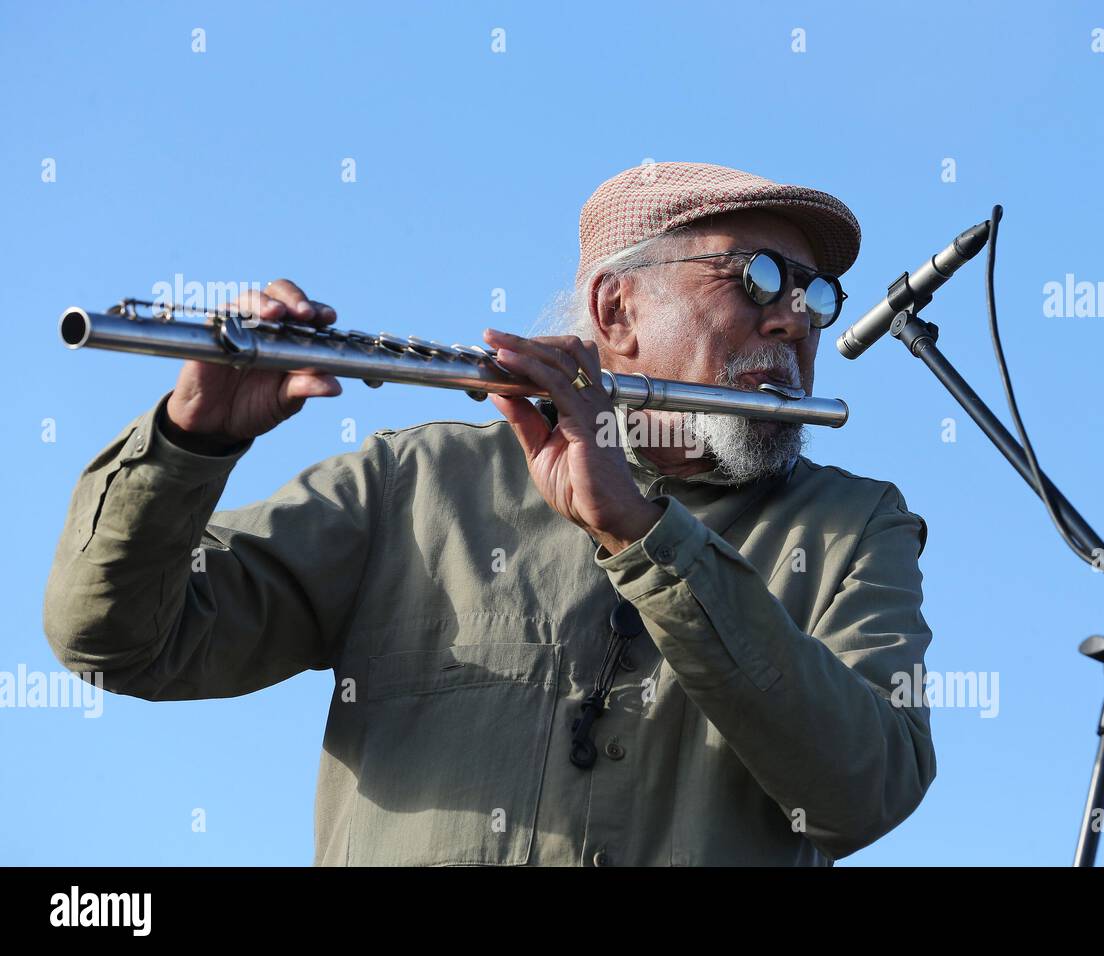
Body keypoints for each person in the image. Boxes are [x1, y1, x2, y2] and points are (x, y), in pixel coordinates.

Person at [43, 161, 937, 866]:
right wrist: (189, 443)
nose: (795, 320)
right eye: (760, 278)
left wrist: (647, 536)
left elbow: (867, 788)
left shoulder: (853, 528)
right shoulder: (415, 483)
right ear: (616, 308)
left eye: (816, 295)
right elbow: (117, 640)